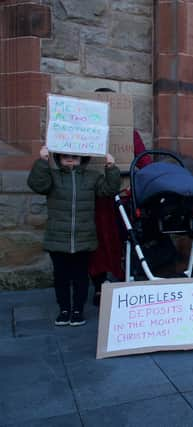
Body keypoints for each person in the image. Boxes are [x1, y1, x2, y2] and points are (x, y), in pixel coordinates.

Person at [27, 146, 120, 326]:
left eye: (75, 156)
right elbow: (37, 185)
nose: (70, 158)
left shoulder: (92, 177)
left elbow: (108, 190)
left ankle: (77, 310)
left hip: (83, 238)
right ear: (59, 157)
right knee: (61, 277)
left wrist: (111, 167)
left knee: (80, 278)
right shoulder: (52, 176)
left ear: (82, 158)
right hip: (57, 238)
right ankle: (64, 310)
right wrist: (42, 161)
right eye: (66, 155)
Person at [89, 87, 151, 306]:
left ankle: (125, 279)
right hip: (93, 200)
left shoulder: (130, 134)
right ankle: (99, 284)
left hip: (122, 198)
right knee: (96, 243)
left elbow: (144, 163)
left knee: (122, 239)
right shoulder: (85, 133)